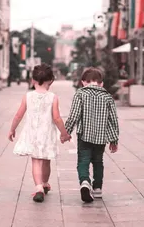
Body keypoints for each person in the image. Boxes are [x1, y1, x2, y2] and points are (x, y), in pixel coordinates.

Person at [8, 63, 71, 203]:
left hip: (32, 134)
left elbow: (18, 115)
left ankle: (38, 188)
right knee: (46, 160)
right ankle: (44, 183)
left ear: (32, 80)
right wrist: (64, 133)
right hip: (47, 134)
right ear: (51, 81)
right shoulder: (53, 97)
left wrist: (12, 129)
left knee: (36, 161)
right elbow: (57, 118)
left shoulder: (28, 96)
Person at [61, 67, 119, 203]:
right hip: (101, 138)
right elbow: (113, 120)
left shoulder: (80, 94)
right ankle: (97, 188)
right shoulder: (107, 97)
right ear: (101, 83)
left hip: (84, 136)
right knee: (98, 162)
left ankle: (85, 182)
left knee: (83, 161)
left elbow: (74, 116)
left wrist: (66, 132)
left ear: (83, 82)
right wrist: (114, 140)